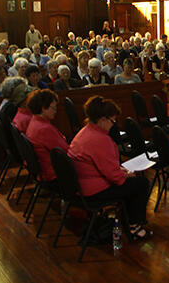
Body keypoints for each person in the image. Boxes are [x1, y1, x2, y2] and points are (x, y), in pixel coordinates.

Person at [68, 96, 151, 239]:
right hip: (93, 190)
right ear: (102, 120)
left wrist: (120, 171)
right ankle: (134, 226)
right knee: (141, 184)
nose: (113, 125)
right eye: (112, 121)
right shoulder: (99, 139)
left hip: (81, 185)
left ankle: (130, 221)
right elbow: (115, 178)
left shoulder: (85, 131)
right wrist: (125, 174)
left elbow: (104, 166)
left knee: (133, 183)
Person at [25, 89, 68, 183]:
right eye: (53, 108)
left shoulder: (34, 121)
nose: (55, 111)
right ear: (43, 108)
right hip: (54, 174)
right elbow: (65, 152)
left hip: (44, 171)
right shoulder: (44, 129)